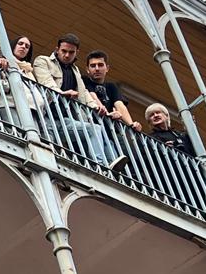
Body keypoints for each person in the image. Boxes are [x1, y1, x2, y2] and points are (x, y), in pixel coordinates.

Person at [31, 35, 129, 172]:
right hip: (46, 118)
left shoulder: (75, 71)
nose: (66, 55)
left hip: (64, 120)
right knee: (50, 156)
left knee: (96, 128)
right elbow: (45, 82)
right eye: (64, 51)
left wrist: (99, 109)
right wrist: (60, 92)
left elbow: (84, 96)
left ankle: (103, 166)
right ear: (57, 49)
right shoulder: (43, 61)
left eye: (71, 52)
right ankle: (101, 167)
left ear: (77, 53)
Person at [81, 51, 139, 130]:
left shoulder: (111, 87)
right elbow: (92, 96)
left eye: (100, 65)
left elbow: (119, 104)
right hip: (91, 126)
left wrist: (132, 125)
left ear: (107, 68)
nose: (97, 69)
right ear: (87, 69)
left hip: (109, 131)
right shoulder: (84, 80)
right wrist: (107, 114)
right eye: (93, 66)